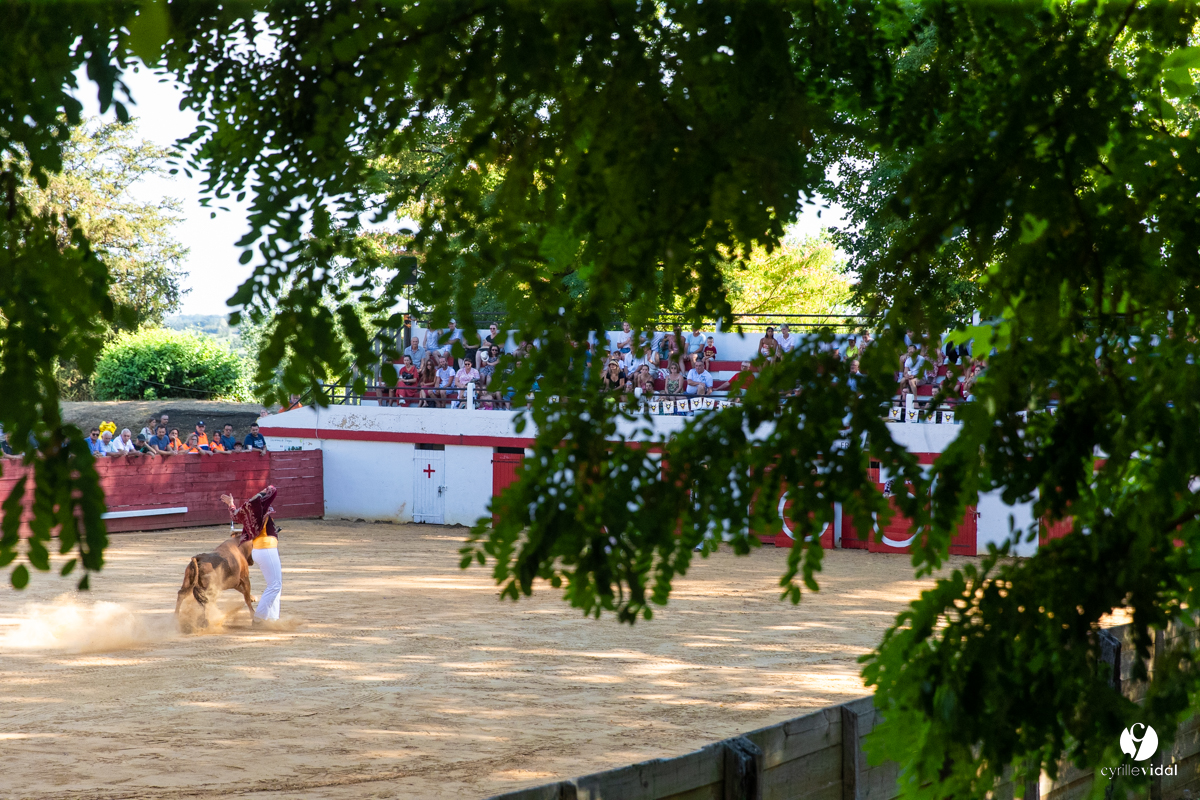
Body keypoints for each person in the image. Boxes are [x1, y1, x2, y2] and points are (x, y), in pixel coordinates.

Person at [222, 485, 283, 624]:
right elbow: (273, 490)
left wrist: (231, 504)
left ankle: (272, 619)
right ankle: (259, 619)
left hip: (258, 549)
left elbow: (234, 515)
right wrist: (260, 495)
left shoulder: (247, 508)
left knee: (275, 585)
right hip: (266, 548)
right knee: (274, 585)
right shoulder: (260, 505)